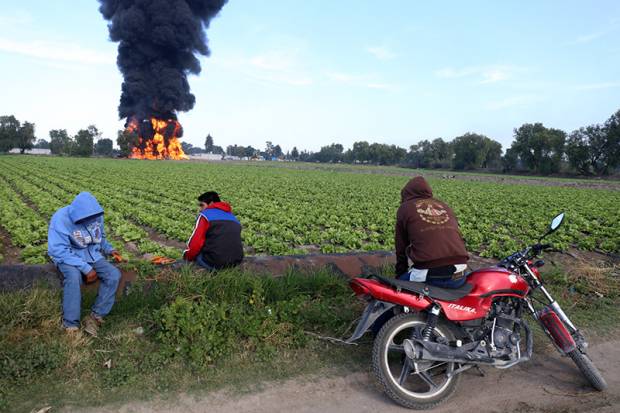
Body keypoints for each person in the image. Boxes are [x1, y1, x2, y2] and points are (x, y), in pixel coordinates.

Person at [48, 192, 123, 336]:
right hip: (68, 256)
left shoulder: (96, 215)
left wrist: (110, 249)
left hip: (92, 255)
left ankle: (95, 316)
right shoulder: (60, 218)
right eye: (85, 218)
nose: (90, 220)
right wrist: (86, 268)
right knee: (74, 277)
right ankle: (70, 324)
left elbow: (101, 238)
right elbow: (58, 250)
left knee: (113, 275)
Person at [395, 176, 469, 288]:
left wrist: (400, 276)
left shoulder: (405, 208)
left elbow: (401, 247)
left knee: (394, 289)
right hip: (460, 273)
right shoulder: (444, 206)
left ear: (406, 193)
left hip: (428, 275)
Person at [183, 191, 244, 270]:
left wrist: (186, 256)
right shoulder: (233, 217)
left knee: (196, 255)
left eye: (202, 205)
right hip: (235, 262)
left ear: (211, 203)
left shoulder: (205, 215)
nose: (200, 209)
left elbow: (196, 243)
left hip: (215, 262)